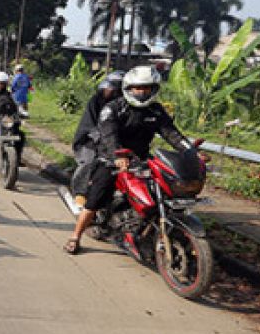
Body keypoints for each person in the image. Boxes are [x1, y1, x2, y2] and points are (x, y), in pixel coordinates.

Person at [63, 65, 193, 255]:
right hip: (111, 159)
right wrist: (118, 155)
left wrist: (190, 151)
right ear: (128, 88)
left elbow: (171, 134)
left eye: (146, 88)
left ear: (153, 89)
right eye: (137, 88)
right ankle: (75, 236)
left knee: (164, 188)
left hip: (140, 159)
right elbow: (109, 134)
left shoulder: (156, 111)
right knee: (96, 198)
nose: (141, 92)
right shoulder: (113, 108)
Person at [70, 70, 125, 199]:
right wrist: (100, 137)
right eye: (107, 88)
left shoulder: (126, 106)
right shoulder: (96, 101)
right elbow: (89, 124)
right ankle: (80, 193)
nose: (107, 91)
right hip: (90, 139)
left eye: (112, 89)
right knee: (89, 161)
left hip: (116, 141)